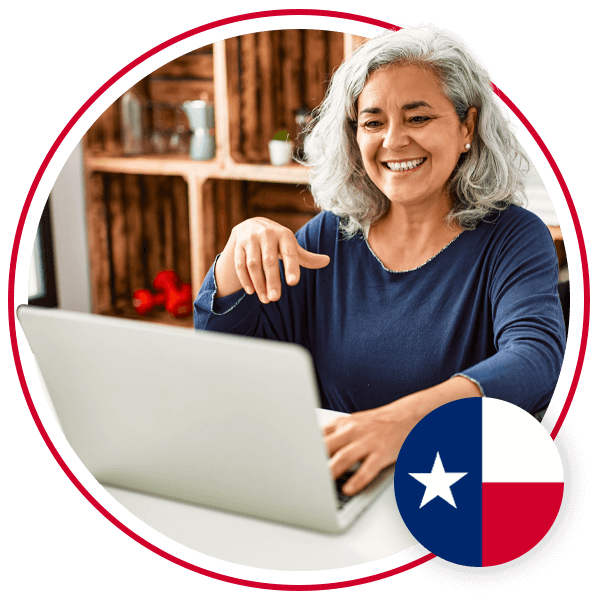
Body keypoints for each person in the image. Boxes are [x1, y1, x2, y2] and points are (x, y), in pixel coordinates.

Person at [193, 24, 566, 497]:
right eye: (372, 122)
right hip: (339, 486)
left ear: (466, 127)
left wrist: (404, 422)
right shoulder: (331, 234)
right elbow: (225, 361)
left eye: (418, 118)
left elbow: (535, 360)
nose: (393, 141)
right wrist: (236, 249)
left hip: (456, 490)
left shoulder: (513, 237)